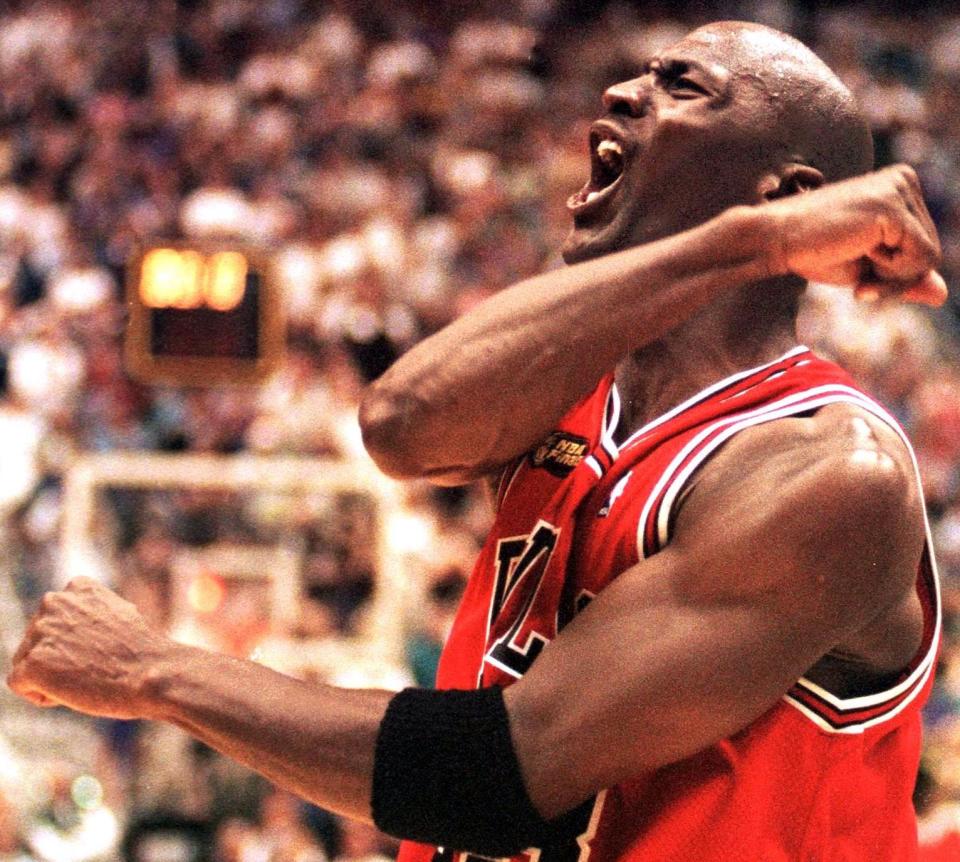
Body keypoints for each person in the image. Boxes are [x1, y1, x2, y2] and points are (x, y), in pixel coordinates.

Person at [7, 20, 948, 862]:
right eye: (644, 75)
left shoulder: (828, 470)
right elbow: (401, 426)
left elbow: (502, 776)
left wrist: (152, 672)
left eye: (684, 88)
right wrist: (746, 243)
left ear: (791, 193)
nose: (623, 92)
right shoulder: (576, 390)